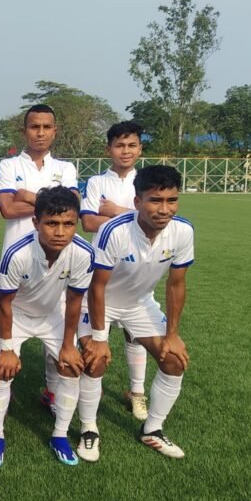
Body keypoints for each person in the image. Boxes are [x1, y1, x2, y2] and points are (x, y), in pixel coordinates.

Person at [79, 165, 194, 460]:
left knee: (174, 360)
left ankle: (152, 429)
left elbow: (176, 284)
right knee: (95, 360)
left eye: (171, 200)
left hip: (139, 304)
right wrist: (100, 338)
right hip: (97, 302)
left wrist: (172, 334)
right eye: (155, 200)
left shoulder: (183, 231)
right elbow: (97, 287)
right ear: (137, 202)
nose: (164, 209)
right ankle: (89, 429)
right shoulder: (113, 230)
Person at [0, 187, 94, 467]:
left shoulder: (83, 253)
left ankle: (59, 435)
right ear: (36, 222)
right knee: (2, 371)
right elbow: (5, 303)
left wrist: (69, 346)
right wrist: (7, 349)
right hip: (15, 313)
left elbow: (74, 301)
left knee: (70, 367)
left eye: (68, 224)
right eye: (51, 223)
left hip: (52, 312)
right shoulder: (16, 253)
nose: (60, 232)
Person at [0, 104, 80, 411]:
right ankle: (2, 393)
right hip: (18, 259)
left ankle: (52, 391)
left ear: (55, 131)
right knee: (7, 325)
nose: (40, 133)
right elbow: (7, 209)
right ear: (24, 130)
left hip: (58, 258)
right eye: (34, 127)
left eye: (46, 127)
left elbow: (73, 207)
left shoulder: (66, 168)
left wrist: (27, 195)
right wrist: (52, 201)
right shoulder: (8, 165)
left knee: (55, 322)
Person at [80, 120, 150, 421]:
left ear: (140, 148)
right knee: (97, 334)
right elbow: (88, 222)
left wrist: (114, 211)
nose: (126, 151)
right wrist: (136, 215)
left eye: (132, 145)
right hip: (102, 269)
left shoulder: (146, 181)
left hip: (138, 269)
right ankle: (90, 394)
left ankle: (137, 393)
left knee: (136, 334)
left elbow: (155, 220)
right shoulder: (97, 182)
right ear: (109, 149)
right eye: (120, 145)